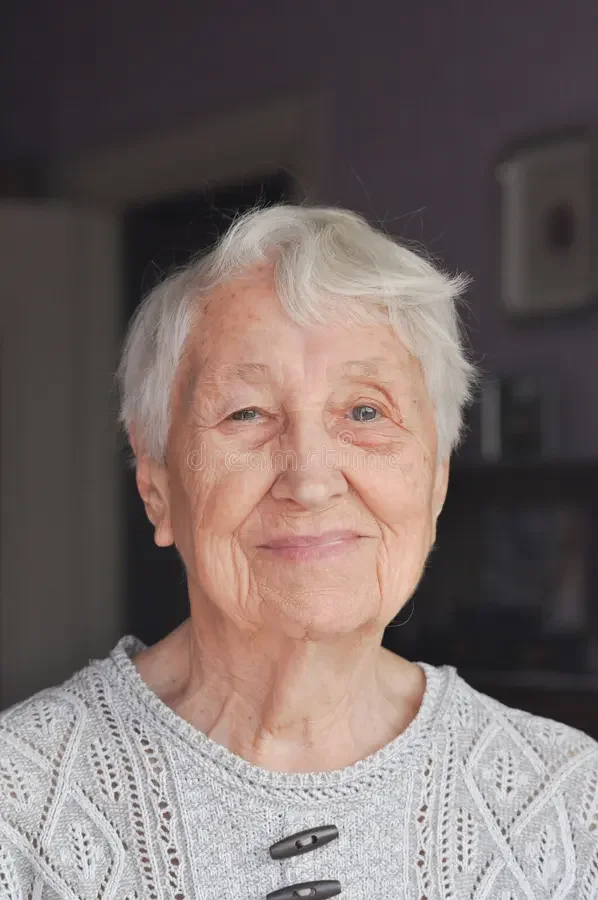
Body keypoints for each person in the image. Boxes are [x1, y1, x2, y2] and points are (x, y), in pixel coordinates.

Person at [0, 204, 596, 900]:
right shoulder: (21, 803)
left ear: (436, 478)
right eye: (246, 413)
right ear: (156, 482)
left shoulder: (569, 805)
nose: (310, 480)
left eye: (366, 412)